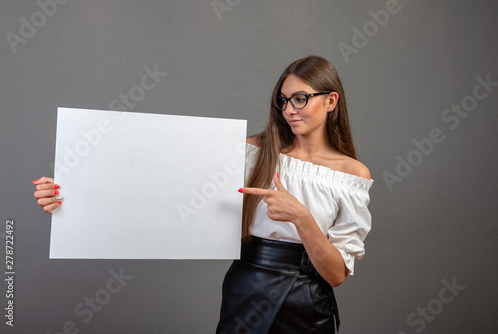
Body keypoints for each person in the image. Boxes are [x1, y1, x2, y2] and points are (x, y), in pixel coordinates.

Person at [32, 55, 373, 333]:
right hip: (246, 289)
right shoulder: (251, 152)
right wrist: (70, 194)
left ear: (330, 101)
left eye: (300, 98)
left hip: (308, 305)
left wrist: (301, 216)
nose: (289, 109)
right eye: (283, 100)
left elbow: (336, 275)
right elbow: (156, 182)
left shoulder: (351, 175)